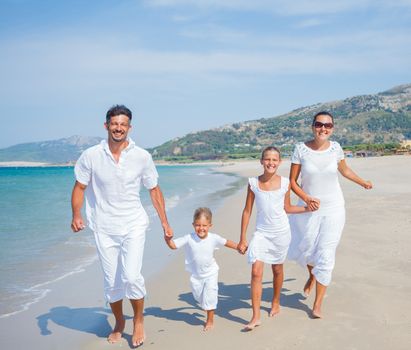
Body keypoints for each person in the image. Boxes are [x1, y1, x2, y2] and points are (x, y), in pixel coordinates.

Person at [70, 104, 173, 347]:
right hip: (104, 227)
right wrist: (76, 214)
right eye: (114, 124)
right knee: (112, 282)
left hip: (133, 224)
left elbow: (154, 191)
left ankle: (138, 320)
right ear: (106, 126)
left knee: (131, 276)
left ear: (129, 127)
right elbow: (80, 187)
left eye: (123, 124)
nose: (118, 128)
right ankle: (119, 322)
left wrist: (165, 223)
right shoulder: (91, 156)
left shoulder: (142, 156)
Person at [288, 111, 372, 318]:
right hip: (308, 209)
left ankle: (317, 305)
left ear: (332, 128)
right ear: (312, 126)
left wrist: (363, 182)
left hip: (334, 209)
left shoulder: (336, 148)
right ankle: (312, 275)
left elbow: (345, 170)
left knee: (325, 254)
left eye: (328, 125)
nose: (323, 128)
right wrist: (307, 198)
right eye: (319, 124)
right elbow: (292, 182)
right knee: (307, 249)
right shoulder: (300, 149)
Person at [238, 146, 312, 331]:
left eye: (274, 160)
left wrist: (306, 208)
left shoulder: (286, 183)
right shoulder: (253, 183)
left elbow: (287, 208)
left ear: (279, 162)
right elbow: (247, 211)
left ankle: (276, 301)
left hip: (281, 233)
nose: (271, 163)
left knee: (277, 270)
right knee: (256, 272)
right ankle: (255, 316)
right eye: (267, 159)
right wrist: (242, 238)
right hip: (261, 233)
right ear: (261, 161)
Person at [165, 207, 239, 331]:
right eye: (198, 225)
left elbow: (226, 242)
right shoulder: (189, 238)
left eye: (204, 225)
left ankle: (210, 320)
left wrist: (239, 247)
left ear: (210, 225)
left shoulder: (213, 238)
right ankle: (206, 305)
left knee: (210, 296)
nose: (201, 228)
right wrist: (167, 239)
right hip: (196, 276)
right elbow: (173, 246)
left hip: (211, 273)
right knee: (199, 297)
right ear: (193, 225)